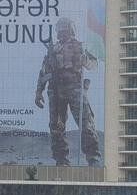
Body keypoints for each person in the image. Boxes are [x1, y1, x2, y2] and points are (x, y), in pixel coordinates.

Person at [34, 17, 101, 167]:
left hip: (75, 88)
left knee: (86, 123)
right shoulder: (52, 50)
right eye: (61, 31)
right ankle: (61, 160)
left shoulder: (80, 47)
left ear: (71, 30)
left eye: (65, 30)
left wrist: (85, 59)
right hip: (56, 91)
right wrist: (39, 92)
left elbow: (93, 65)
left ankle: (93, 158)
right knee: (57, 126)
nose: (63, 33)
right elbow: (44, 72)